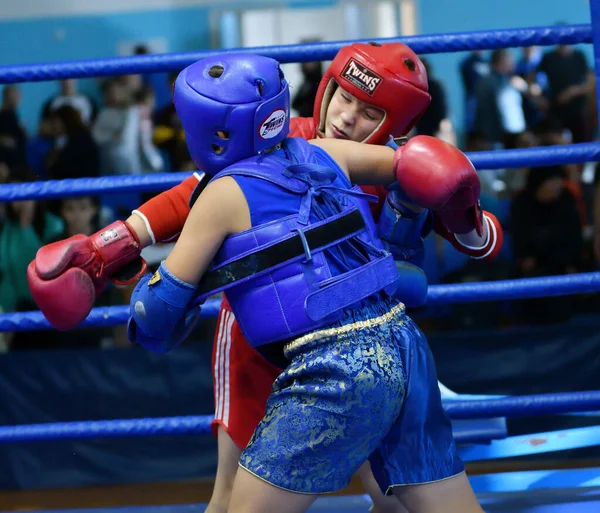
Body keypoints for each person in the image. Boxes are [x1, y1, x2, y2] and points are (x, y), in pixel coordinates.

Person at [27, 42, 502, 513]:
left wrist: (460, 202)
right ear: (325, 88)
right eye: (343, 97)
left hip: (343, 351)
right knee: (235, 488)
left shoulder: (402, 168)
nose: (346, 116)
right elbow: (189, 196)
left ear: (397, 125)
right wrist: (110, 245)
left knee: (390, 494)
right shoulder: (288, 139)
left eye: (368, 111)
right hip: (274, 333)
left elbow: (481, 238)